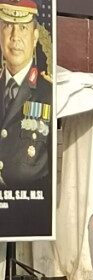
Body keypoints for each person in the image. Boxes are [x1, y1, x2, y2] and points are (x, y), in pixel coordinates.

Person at [0, 0, 52, 236]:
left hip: (30, 209)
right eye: (8, 26)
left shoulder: (49, 92)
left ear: (34, 36)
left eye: (22, 28)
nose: (14, 37)